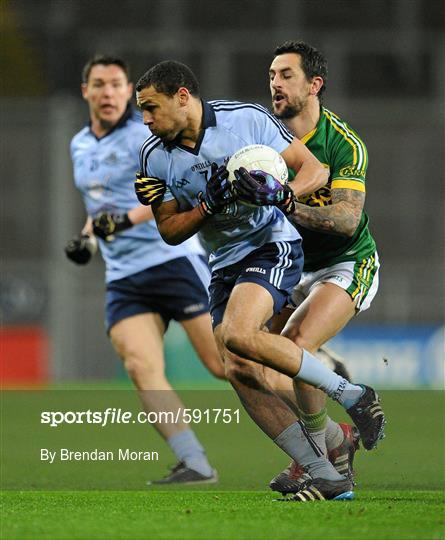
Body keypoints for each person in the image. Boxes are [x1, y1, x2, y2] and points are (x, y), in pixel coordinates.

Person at [134, 59, 386, 501]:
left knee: (239, 334)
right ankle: (325, 468)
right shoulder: (153, 157)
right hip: (223, 264)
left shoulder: (244, 120)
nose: (146, 120)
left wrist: (281, 194)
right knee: (239, 367)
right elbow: (170, 231)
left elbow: (313, 170)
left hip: (271, 245)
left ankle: (351, 393)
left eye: (151, 108)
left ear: (182, 97)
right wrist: (206, 208)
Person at [65, 54, 225, 486]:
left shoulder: (149, 134)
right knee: (140, 366)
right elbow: (100, 209)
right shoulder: (79, 144)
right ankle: (195, 462)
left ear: (128, 90)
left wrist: (124, 221)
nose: (108, 92)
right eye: (98, 84)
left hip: (171, 259)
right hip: (124, 274)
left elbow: (175, 190)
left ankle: (314, 393)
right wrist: (88, 238)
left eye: (117, 84)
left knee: (225, 362)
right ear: (86, 92)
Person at [263, 40, 383, 494]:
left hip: (345, 262)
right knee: (252, 361)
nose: (275, 82)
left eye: (286, 74)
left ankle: (323, 468)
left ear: (315, 84)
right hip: (289, 266)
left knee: (297, 345)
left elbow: (345, 219)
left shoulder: (343, 143)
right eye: (272, 74)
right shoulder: (263, 136)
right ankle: (336, 440)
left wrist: (282, 201)